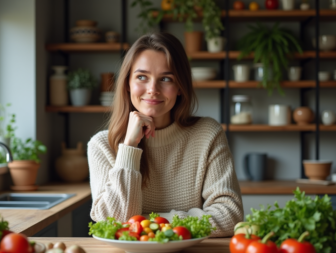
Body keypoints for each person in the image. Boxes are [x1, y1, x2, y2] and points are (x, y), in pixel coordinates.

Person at [87, 32, 243, 237]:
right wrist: (130, 147)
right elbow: (112, 221)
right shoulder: (102, 145)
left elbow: (230, 215)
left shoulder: (207, 134)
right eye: (142, 77)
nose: (152, 89)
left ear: (179, 87)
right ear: (127, 83)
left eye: (166, 78)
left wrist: (157, 224)